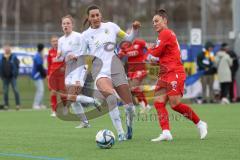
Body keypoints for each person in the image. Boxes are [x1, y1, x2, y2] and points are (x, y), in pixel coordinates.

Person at [81, 5, 141, 141]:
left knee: (130, 107)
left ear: (100, 15)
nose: (95, 18)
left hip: (116, 68)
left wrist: (135, 30)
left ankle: (129, 127)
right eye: (92, 16)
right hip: (100, 72)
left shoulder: (111, 27)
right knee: (112, 98)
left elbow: (128, 39)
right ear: (88, 18)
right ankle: (120, 133)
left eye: (97, 15)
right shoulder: (85, 36)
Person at [147, 9, 207, 141]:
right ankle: (166, 132)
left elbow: (155, 52)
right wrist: (154, 58)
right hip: (164, 73)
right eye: (153, 22)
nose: (154, 24)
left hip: (174, 72)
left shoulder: (166, 33)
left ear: (165, 21)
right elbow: (161, 56)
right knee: (159, 102)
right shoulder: (163, 36)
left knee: (175, 104)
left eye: (157, 21)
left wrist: (148, 48)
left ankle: (200, 123)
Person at [57, 15, 100, 128]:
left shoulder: (78, 36)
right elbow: (60, 58)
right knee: (72, 98)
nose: (66, 25)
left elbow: (85, 50)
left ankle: (93, 101)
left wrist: (75, 56)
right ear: (61, 26)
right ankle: (85, 122)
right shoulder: (61, 40)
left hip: (80, 67)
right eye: (64, 24)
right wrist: (61, 56)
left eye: (68, 23)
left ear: (72, 25)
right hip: (69, 69)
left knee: (72, 96)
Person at [118, 39, 151, 114]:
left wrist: (146, 57)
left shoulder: (139, 42)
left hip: (141, 69)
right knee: (133, 89)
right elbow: (119, 57)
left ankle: (145, 105)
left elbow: (148, 47)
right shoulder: (123, 47)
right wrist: (121, 55)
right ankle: (145, 105)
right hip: (131, 71)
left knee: (134, 87)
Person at [47, 35, 67, 117]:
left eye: (56, 41)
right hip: (53, 75)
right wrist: (48, 75)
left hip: (61, 75)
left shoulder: (62, 51)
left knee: (62, 93)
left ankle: (65, 108)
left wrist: (64, 68)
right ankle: (54, 111)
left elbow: (66, 62)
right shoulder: (50, 52)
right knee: (53, 92)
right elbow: (49, 64)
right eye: (53, 41)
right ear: (51, 43)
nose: (55, 43)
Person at [0, 43, 20, 110]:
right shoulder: (1, 57)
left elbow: (17, 65)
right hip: (5, 78)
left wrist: (15, 74)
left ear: (10, 49)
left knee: (16, 90)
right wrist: (1, 75)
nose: (7, 49)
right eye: (5, 48)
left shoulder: (14, 56)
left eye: (8, 47)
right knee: (5, 92)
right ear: (4, 49)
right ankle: (6, 105)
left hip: (12, 77)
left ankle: (18, 105)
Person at [32, 43, 46, 110]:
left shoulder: (38, 55)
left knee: (40, 90)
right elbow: (39, 66)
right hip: (36, 75)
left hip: (39, 75)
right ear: (42, 48)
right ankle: (36, 104)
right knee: (40, 90)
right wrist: (44, 74)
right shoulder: (38, 56)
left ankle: (40, 104)